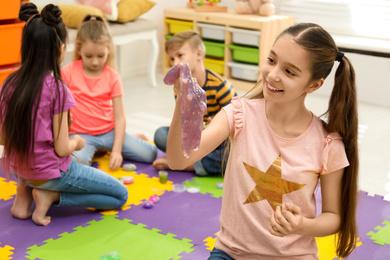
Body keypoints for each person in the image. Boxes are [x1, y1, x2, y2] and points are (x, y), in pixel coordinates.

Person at [166, 23, 359, 259]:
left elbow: (333, 217)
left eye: (290, 72)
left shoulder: (327, 143)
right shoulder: (238, 113)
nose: (273, 74)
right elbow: (177, 161)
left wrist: (302, 226)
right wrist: (181, 103)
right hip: (231, 252)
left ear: (314, 84)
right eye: (271, 60)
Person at [0, 3, 128, 226]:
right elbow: (61, 149)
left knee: (34, 165)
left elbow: (2, 138)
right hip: (49, 174)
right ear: (61, 50)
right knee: (120, 195)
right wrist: (77, 142)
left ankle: (23, 198)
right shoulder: (57, 89)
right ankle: (52, 196)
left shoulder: (8, 83)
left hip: (19, 170)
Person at [61, 15, 157, 170]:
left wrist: (117, 151)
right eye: (88, 56)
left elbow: (119, 117)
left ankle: (126, 140)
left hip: (109, 133)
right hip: (81, 135)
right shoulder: (67, 72)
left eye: (101, 56)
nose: (95, 61)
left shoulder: (113, 76)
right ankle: (99, 148)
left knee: (150, 154)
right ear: (79, 49)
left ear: (109, 49)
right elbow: (55, 105)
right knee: (77, 164)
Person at [153, 30, 237, 176]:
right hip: (195, 137)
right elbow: (183, 121)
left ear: (198, 54)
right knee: (160, 135)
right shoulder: (179, 88)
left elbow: (236, 126)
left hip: (218, 139)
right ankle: (202, 161)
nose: (175, 63)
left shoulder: (222, 86)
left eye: (180, 55)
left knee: (233, 152)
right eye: (172, 59)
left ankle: (191, 164)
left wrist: (213, 127)